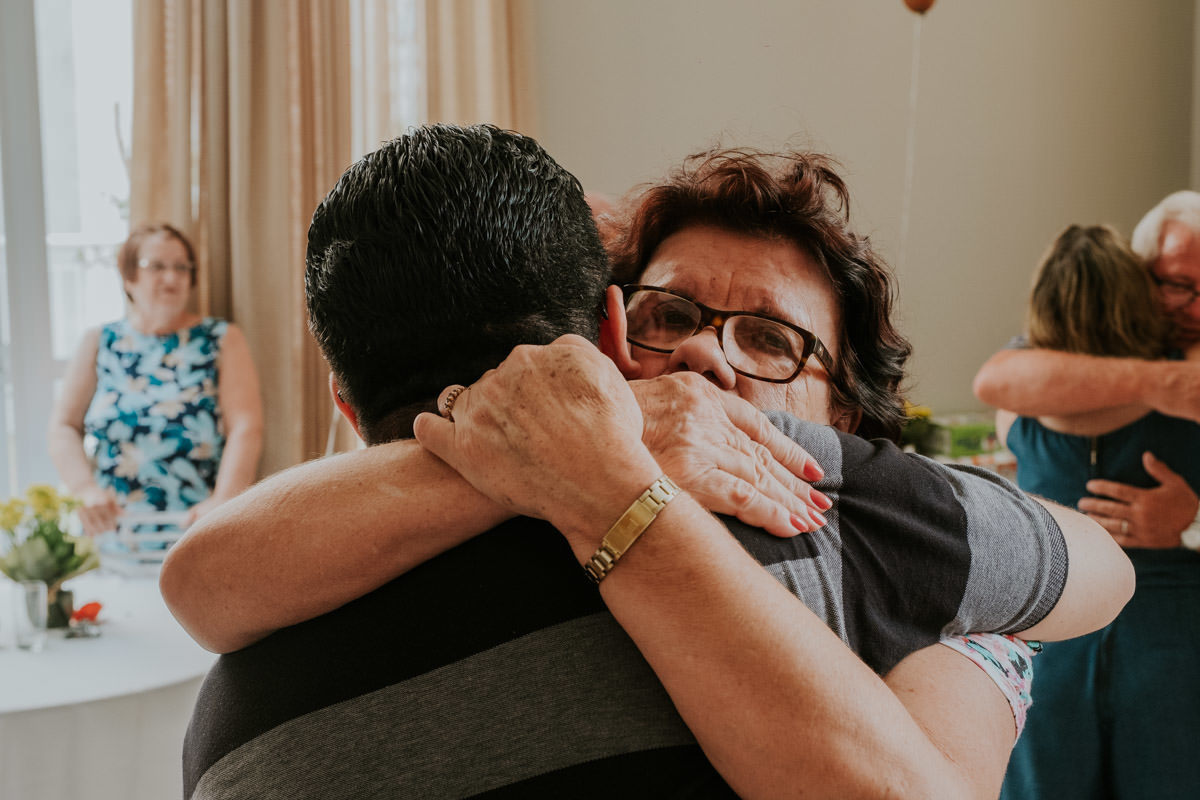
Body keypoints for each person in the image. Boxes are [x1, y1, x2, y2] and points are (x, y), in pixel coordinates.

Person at [172, 127, 1131, 799]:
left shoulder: (847, 506)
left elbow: (1098, 566)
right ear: (611, 338)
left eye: (771, 340)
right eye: (673, 317)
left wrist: (970, 641)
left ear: (847, 418)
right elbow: (203, 579)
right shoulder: (306, 589)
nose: (711, 360)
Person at [992, 224, 1200, 799]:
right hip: (1173, 637)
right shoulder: (1186, 401)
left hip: (1051, 635)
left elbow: (1003, 387)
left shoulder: (1020, 419)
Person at [974, 191, 1200, 551]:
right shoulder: (1039, 385)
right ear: (1141, 274)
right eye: (1178, 286)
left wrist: (1192, 523)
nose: (1197, 310)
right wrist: (1164, 382)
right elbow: (995, 382)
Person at [47, 223, 263, 538]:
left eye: (182, 267)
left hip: (200, 531)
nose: (172, 278)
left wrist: (224, 500)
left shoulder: (222, 339)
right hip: (113, 533)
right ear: (128, 277)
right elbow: (63, 426)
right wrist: (84, 488)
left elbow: (246, 426)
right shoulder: (99, 341)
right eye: (157, 266)